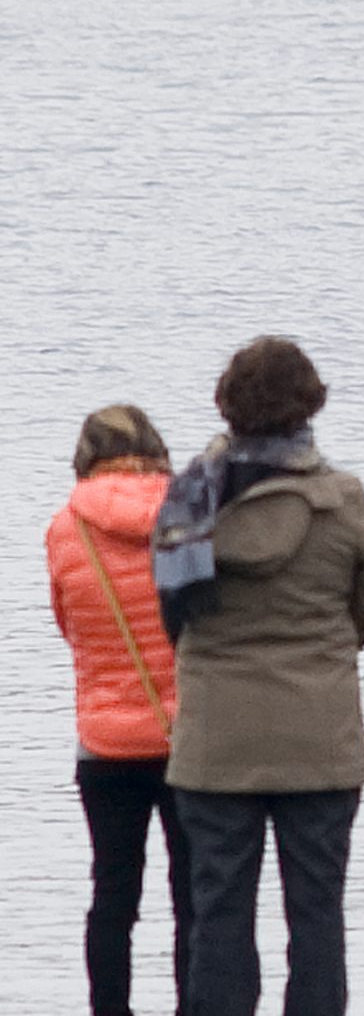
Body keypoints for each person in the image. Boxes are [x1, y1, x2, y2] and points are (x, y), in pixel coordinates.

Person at [155, 337, 364, 1015]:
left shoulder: (190, 498)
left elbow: (173, 613)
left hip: (214, 743)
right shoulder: (341, 500)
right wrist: (321, 659)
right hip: (320, 739)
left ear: (227, 404)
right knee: (318, 921)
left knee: (217, 918)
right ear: (309, 404)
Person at [46, 405, 193, 1016]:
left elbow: (68, 626)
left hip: (104, 740)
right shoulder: (188, 516)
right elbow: (200, 616)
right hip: (187, 738)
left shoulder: (64, 527)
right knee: (195, 896)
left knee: (113, 893)